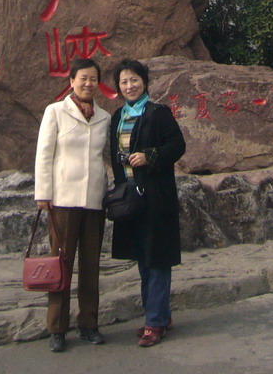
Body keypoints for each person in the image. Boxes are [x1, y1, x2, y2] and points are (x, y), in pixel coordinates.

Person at [34, 56, 111, 353]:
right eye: (83, 78)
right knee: (61, 265)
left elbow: (105, 157)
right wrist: (43, 193)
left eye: (93, 79)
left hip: (93, 200)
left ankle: (89, 324)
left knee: (91, 265)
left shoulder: (104, 117)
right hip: (63, 200)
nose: (88, 84)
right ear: (72, 81)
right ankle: (57, 328)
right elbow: (44, 154)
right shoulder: (55, 112)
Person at [109, 58, 186, 347]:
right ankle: (160, 315)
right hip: (131, 198)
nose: (129, 86)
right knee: (144, 259)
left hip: (156, 197)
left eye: (134, 80)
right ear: (118, 86)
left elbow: (177, 145)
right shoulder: (117, 118)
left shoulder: (158, 113)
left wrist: (149, 156)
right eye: (124, 81)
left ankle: (153, 322)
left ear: (145, 82)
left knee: (157, 260)